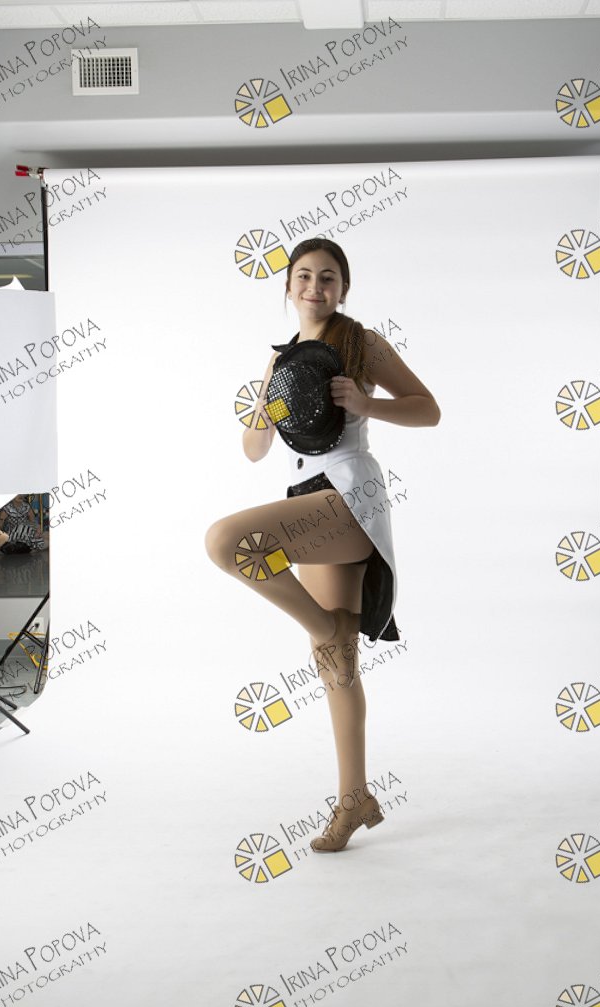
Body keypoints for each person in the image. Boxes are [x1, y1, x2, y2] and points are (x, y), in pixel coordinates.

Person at [205, 237, 439, 852]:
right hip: (304, 495)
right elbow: (254, 449)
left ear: (344, 287)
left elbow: (429, 409)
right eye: (304, 276)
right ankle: (355, 797)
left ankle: (327, 626)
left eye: (328, 277)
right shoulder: (280, 360)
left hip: (350, 496)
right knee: (335, 663)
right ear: (288, 287)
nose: (315, 287)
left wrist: (366, 403)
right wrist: (264, 406)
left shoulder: (362, 343)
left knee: (226, 541)